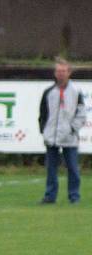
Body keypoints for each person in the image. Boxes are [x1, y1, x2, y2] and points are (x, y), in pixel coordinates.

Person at [38, 58, 85, 205]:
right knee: (51, 169)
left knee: (72, 168)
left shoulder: (76, 92)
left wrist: (72, 129)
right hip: (51, 137)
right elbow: (43, 114)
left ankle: (74, 196)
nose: (61, 74)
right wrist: (43, 130)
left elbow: (81, 114)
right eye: (58, 71)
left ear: (69, 73)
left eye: (63, 71)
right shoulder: (49, 92)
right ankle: (50, 196)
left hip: (69, 138)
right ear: (55, 73)